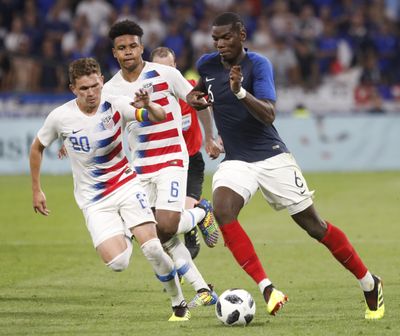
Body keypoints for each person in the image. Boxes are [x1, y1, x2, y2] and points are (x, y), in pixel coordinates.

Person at [186, 12, 384, 320]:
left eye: (226, 37)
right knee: (224, 211)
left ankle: (369, 282)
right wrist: (194, 100)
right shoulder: (208, 65)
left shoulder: (258, 65)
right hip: (237, 160)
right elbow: (200, 92)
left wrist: (240, 92)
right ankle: (268, 289)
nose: (220, 44)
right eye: (216, 39)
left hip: (272, 157)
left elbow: (268, 114)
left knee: (314, 227)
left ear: (242, 35)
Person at [30, 57, 190, 322]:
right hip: (94, 201)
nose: (91, 93)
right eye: (83, 89)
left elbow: (159, 115)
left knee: (151, 248)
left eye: (94, 86)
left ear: (102, 81)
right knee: (118, 263)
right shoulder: (60, 117)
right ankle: (128, 229)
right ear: (73, 89)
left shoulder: (115, 104)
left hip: (126, 185)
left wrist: (149, 104)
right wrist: (37, 189)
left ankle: (178, 304)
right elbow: (37, 147)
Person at [103, 20, 221, 308]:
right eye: (122, 48)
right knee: (159, 233)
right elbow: (106, 127)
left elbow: (191, 97)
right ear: (115, 53)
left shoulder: (166, 74)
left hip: (171, 159)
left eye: (133, 46)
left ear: (141, 47)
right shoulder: (109, 89)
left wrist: (202, 98)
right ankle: (202, 288)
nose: (128, 52)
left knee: (166, 223)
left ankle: (200, 211)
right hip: (140, 167)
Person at [150, 46, 212, 260]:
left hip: (191, 163)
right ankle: (198, 216)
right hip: (163, 164)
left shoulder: (189, 89)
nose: (164, 74)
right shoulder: (146, 98)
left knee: (175, 224)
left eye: (168, 68)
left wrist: (211, 137)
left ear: (175, 68)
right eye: (158, 70)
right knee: (162, 225)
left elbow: (205, 105)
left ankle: (200, 212)